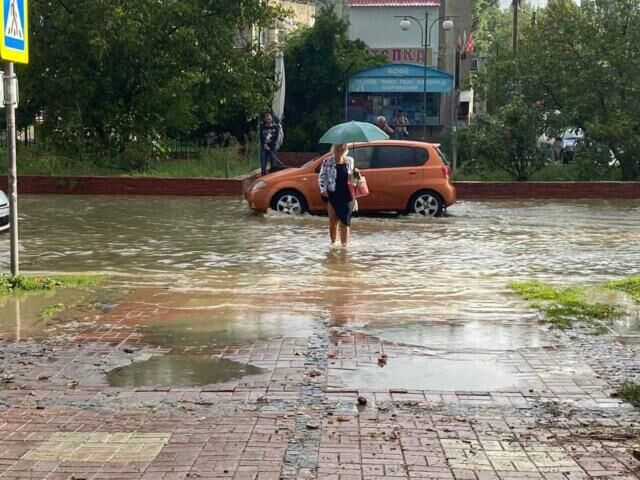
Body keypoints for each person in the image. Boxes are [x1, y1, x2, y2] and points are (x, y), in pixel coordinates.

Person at [319, 144, 355, 247]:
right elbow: (322, 177)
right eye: (337, 149)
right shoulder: (327, 161)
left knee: (345, 223)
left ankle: (344, 247)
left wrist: (355, 174)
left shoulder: (350, 161)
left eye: (342, 149)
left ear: (345, 150)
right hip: (333, 194)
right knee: (333, 223)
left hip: (347, 195)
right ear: (334, 149)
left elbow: (353, 179)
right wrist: (323, 190)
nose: (339, 151)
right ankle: (333, 245)